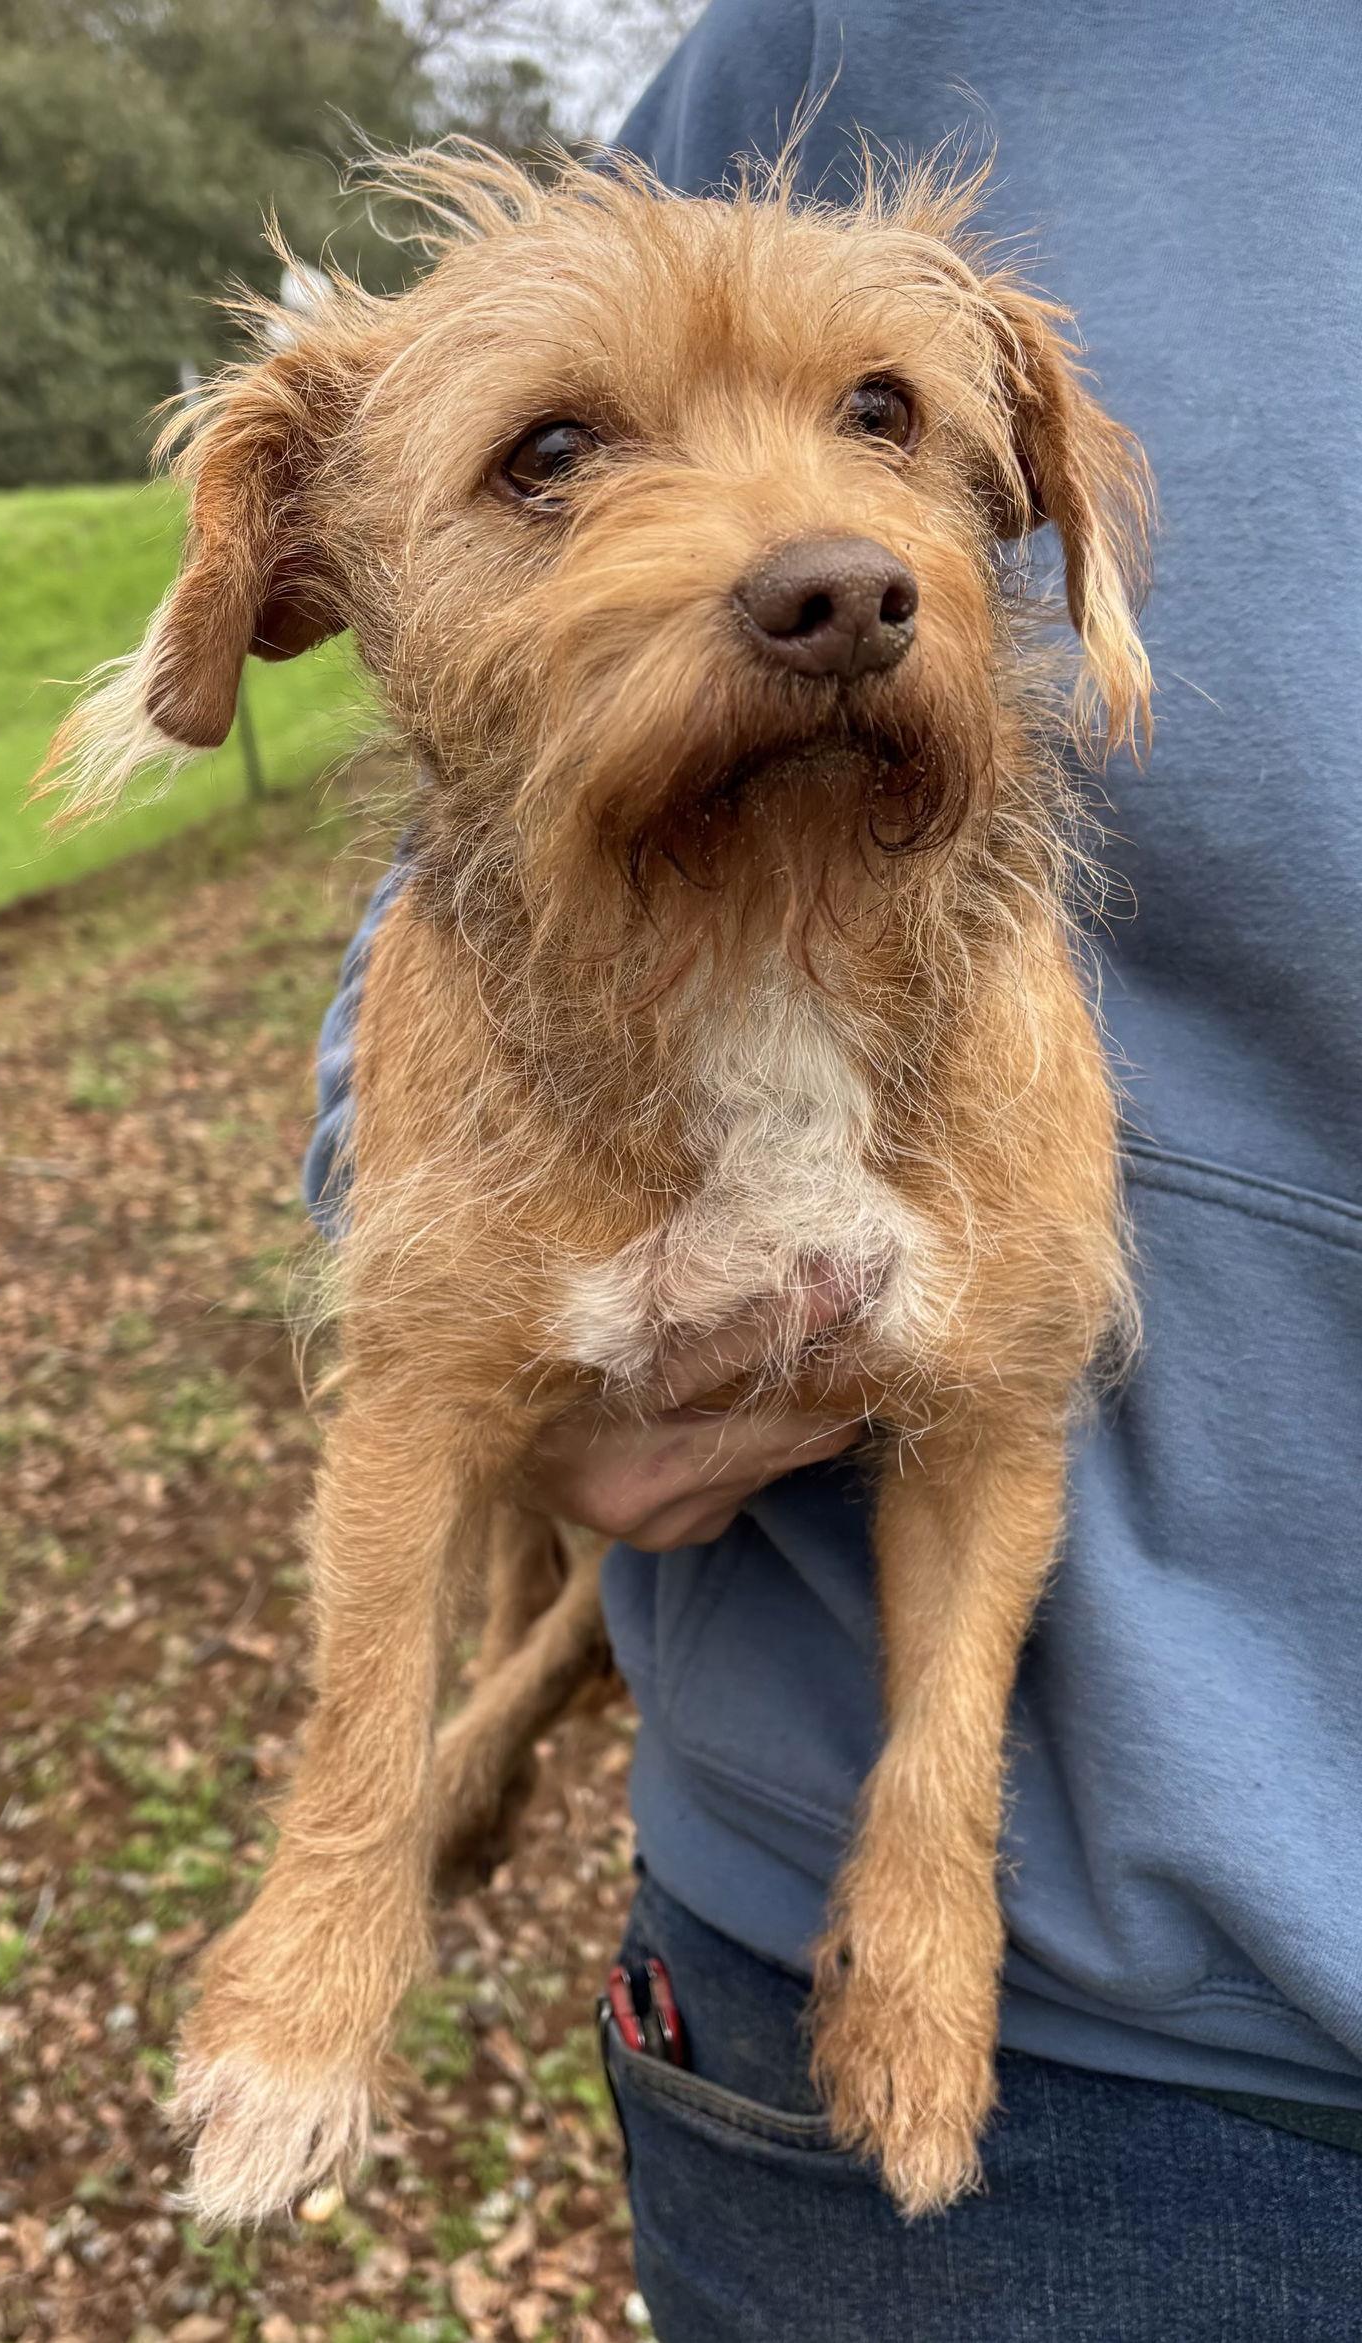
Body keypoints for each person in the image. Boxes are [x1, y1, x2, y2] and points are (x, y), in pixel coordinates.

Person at [305, 4, 1362, 2333]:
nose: (821, 547)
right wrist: (436, 1209)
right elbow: (464, 829)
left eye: (880, 417)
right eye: (579, 449)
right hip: (1070, 2054)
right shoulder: (851, 32)